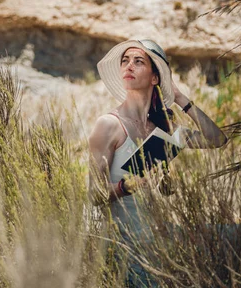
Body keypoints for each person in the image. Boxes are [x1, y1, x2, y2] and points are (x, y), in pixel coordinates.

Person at [88, 39, 227, 285]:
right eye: (125, 61)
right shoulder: (108, 125)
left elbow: (216, 139)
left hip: (157, 243)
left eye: (138, 61)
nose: (128, 66)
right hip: (120, 245)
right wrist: (131, 184)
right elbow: (94, 194)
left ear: (155, 78)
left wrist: (181, 98)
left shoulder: (164, 129)